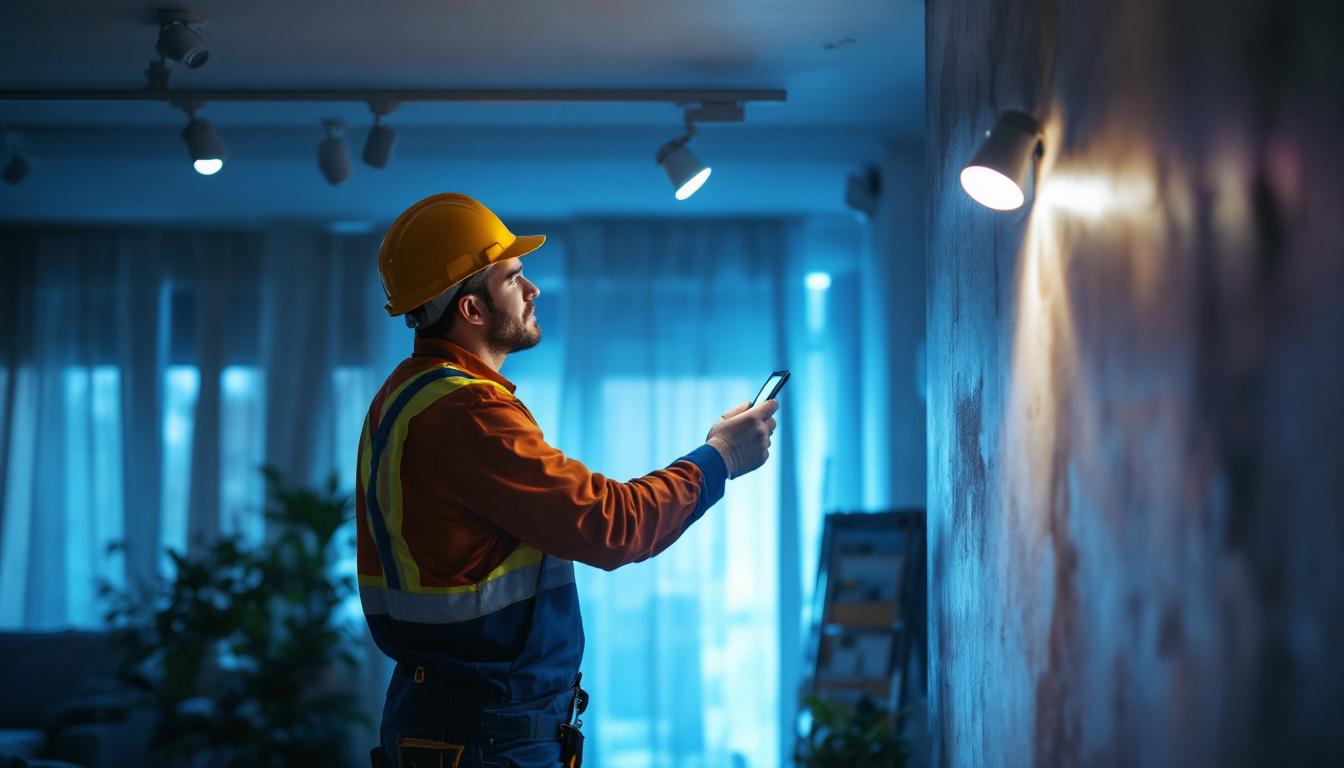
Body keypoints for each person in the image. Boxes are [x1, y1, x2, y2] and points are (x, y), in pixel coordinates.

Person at [358, 193, 779, 768]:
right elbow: (612, 526)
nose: (532, 290)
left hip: (455, 719)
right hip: (490, 734)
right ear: (472, 309)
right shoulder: (467, 412)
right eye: (513, 278)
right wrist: (721, 457)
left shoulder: (402, 397)